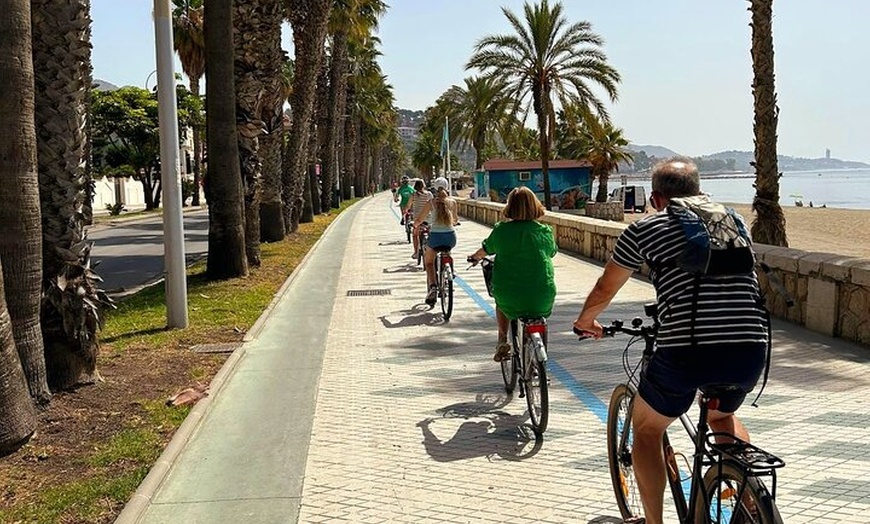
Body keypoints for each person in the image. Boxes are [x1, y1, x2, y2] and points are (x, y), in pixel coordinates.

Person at [572, 158, 768, 524]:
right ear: (698, 191)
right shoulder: (733, 222)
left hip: (685, 351)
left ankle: (654, 522)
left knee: (646, 429)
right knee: (722, 415)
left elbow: (606, 285)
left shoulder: (646, 228)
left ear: (657, 198)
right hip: (752, 347)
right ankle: (751, 496)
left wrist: (586, 321)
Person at [468, 186, 557, 362]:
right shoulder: (544, 231)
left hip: (510, 295)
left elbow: (485, 250)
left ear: (510, 207)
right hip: (542, 295)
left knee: (501, 303)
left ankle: (502, 339)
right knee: (538, 315)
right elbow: (552, 252)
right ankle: (539, 361)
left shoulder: (501, 230)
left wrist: (474, 257)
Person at [413, 177, 457, 306]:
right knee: (448, 252)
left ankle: (433, 286)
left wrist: (416, 224)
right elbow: (455, 219)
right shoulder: (452, 202)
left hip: (436, 237)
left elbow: (420, 219)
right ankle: (451, 273)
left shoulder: (431, 202)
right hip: (451, 237)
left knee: (429, 262)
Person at [404, 179, 433, 259]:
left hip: (417, 219)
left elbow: (408, 206)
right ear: (423, 186)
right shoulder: (429, 194)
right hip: (428, 218)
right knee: (430, 233)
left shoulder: (413, 195)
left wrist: (406, 211)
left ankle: (416, 252)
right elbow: (432, 204)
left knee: (415, 235)